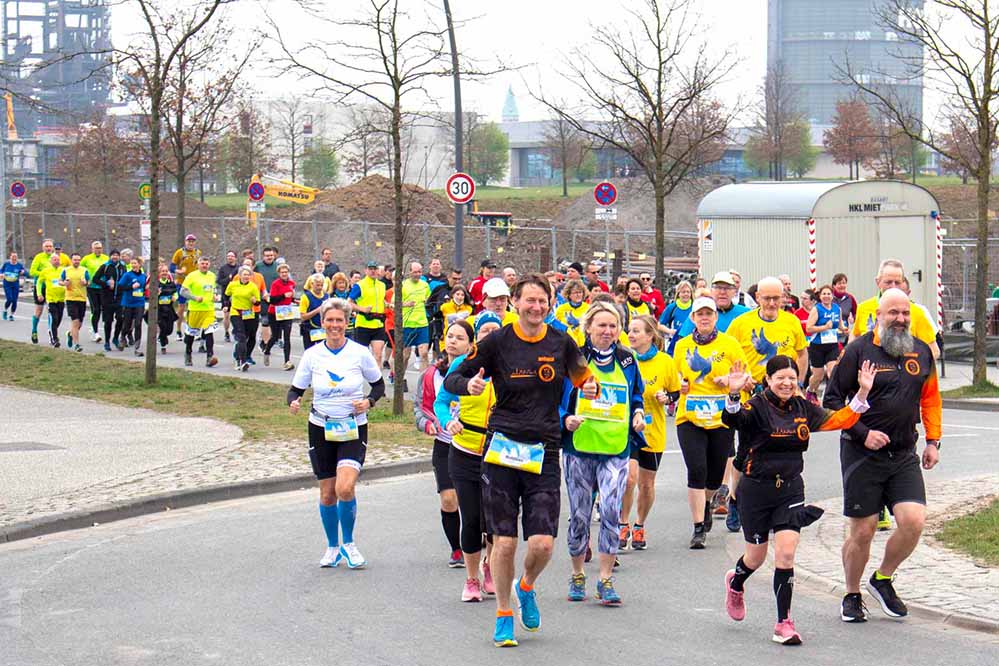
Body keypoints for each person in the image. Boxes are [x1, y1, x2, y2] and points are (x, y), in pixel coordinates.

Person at [444, 275, 597, 648]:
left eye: (542, 301)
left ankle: (525, 587)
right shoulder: (497, 342)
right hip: (501, 449)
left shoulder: (562, 342)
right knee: (506, 542)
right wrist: (471, 386)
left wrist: (588, 387)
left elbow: (584, 377)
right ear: (514, 302)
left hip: (543, 449)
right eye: (529, 300)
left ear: (550, 303)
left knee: (543, 544)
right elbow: (454, 378)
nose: (536, 307)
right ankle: (502, 613)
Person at [721, 356, 876, 645]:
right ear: (768, 380)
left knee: (786, 554)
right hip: (756, 490)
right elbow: (732, 420)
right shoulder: (756, 406)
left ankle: (784, 623)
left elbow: (840, 419)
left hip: (790, 489)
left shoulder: (803, 407)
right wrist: (732, 393)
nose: (787, 383)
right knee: (755, 557)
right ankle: (736, 581)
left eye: (792, 377)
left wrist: (863, 392)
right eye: (780, 377)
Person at [824, 288, 942, 624]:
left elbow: (931, 400)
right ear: (878, 315)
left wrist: (933, 441)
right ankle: (851, 593)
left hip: (904, 452)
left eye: (905, 313)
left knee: (914, 522)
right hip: (861, 454)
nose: (900, 319)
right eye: (893, 313)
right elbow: (831, 402)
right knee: (864, 530)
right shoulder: (859, 350)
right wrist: (863, 433)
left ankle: (883, 578)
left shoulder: (920, 352)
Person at [287, 298, 386, 570]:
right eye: (329, 320)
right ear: (322, 323)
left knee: (345, 487)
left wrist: (369, 402)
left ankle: (349, 544)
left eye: (339, 320)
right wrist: (293, 402)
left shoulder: (359, 353)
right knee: (328, 493)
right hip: (320, 427)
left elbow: (378, 387)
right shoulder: (312, 355)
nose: (334, 325)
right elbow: (295, 390)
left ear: (347, 322)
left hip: (352, 427)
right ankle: (332, 547)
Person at [561, 302, 645, 606]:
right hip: (580, 447)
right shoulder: (576, 359)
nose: (608, 331)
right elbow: (558, 400)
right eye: (602, 326)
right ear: (588, 328)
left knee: (610, 510)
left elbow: (636, 395)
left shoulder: (626, 360)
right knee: (580, 515)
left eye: (613, 326)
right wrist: (565, 419)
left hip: (615, 447)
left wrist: (638, 414)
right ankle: (577, 573)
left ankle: (605, 579)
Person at [435, 313, 502, 602]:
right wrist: (448, 422)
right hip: (464, 448)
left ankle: (489, 567)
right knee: (472, 518)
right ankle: (471, 579)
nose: (490, 335)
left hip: (500, 450)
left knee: (496, 520)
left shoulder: (510, 364)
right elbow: (441, 400)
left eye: (495, 330)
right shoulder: (464, 365)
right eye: (484, 330)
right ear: (477, 337)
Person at [674, 296, 748, 549]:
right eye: (700, 314)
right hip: (690, 416)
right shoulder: (682, 346)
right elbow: (676, 377)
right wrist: (680, 385)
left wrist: (729, 380)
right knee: (696, 469)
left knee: (715, 476)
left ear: (716, 317)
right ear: (693, 318)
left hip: (721, 417)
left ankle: (706, 503)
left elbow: (745, 377)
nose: (704, 318)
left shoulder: (730, 345)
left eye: (709, 313)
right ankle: (697, 529)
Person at [415, 319, 475, 571]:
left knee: (473, 503)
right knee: (449, 499)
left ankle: (476, 543)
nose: (453, 341)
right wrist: (428, 424)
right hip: (444, 443)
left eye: (460, 338)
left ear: (470, 345)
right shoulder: (431, 374)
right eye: (450, 336)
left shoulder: (477, 372)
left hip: (472, 444)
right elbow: (420, 407)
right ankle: (457, 548)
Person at [620, 315, 681, 550]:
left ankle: (639, 525)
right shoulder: (624, 359)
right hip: (627, 430)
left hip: (652, 430)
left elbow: (675, 392)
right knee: (628, 479)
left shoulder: (665, 362)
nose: (631, 335)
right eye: (629, 331)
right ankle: (622, 523)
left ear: (650, 335)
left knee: (646, 484)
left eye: (636, 331)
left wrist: (668, 398)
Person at [849, 259, 939, 359]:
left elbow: (934, 350)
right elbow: (854, 337)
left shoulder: (917, 312)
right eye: (888, 282)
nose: (893, 286)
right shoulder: (863, 308)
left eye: (897, 282)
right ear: (878, 282)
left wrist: (915, 369)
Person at [805, 285, 845, 403]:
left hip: (832, 345)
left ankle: (831, 396)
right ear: (820, 296)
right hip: (817, 346)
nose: (826, 296)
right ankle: (811, 391)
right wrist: (824, 327)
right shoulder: (817, 309)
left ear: (832, 296)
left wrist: (844, 329)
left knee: (832, 371)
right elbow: (809, 328)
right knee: (818, 375)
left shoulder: (837, 309)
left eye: (829, 294)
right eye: (824, 294)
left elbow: (840, 325)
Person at [180, 255, 219, 368]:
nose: (204, 265)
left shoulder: (212, 275)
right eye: (202, 263)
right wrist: (194, 298)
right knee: (191, 334)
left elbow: (213, 289)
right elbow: (183, 291)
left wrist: (215, 296)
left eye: (206, 264)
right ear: (198, 264)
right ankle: (188, 353)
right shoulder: (192, 276)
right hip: (195, 309)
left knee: (209, 332)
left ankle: (209, 357)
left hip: (208, 309)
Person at [28, 239, 68, 344]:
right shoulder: (39, 257)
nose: (49, 248)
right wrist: (45, 274)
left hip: (54, 289)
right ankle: (34, 330)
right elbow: (32, 272)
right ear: (43, 247)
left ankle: (52, 333)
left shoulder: (58, 257)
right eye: (46, 246)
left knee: (54, 313)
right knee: (39, 311)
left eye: (50, 246)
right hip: (41, 286)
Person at [349, 261, 389, 365]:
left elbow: (381, 300)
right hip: (363, 324)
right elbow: (349, 303)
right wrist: (362, 309)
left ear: (378, 271)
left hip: (378, 324)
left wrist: (387, 305)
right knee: (362, 356)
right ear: (365, 270)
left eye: (375, 269)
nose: (373, 271)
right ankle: (359, 379)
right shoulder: (359, 285)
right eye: (370, 269)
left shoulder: (382, 285)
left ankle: (377, 380)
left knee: (378, 355)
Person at [225, 266, 262, 371]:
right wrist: (226, 306)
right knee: (241, 336)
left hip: (248, 313)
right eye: (244, 274)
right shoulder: (233, 285)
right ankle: (242, 361)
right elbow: (226, 296)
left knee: (248, 337)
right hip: (236, 312)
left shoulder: (253, 287)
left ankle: (238, 357)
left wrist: (255, 301)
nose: (246, 277)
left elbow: (258, 302)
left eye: (248, 275)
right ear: (239, 275)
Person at [264, 263, 297, 370]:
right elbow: (272, 300)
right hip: (274, 312)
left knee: (287, 337)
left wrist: (294, 300)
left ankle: (287, 361)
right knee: (275, 336)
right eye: (282, 272)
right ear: (279, 273)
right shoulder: (275, 284)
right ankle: (267, 350)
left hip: (286, 312)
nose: (284, 274)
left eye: (286, 272)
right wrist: (284, 295)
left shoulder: (292, 283)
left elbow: (290, 297)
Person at [93, 250, 126, 352]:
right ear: (110, 257)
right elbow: (95, 279)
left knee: (120, 318)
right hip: (107, 297)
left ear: (119, 257)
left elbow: (125, 279)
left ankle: (115, 338)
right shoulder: (105, 266)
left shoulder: (122, 267)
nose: (115, 257)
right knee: (108, 321)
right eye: (113, 255)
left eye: (117, 255)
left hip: (119, 297)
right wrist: (106, 283)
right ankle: (107, 341)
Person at [401, 261, 432, 371]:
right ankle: (400, 379)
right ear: (409, 272)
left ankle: (423, 384)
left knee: (424, 354)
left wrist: (427, 302)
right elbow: (393, 304)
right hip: (407, 324)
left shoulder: (425, 285)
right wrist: (405, 304)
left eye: (419, 272)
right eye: (415, 272)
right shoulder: (403, 285)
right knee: (405, 355)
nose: (417, 274)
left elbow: (429, 299)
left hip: (422, 323)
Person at [170, 234, 202, 340]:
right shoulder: (179, 252)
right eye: (189, 241)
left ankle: (193, 329)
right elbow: (172, 267)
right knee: (181, 306)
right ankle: (179, 329)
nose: (191, 243)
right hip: (182, 282)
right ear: (185, 242)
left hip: (194, 283)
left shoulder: (198, 253)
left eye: (192, 241)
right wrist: (178, 271)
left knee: (194, 307)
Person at [35, 253, 67, 347]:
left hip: (61, 299)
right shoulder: (45, 271)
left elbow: (68, 281)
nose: (57, 262)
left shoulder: (63, 270)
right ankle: (54, 339)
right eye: (54, 260)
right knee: (54, 318)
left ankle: (51, 332)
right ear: (50, 261)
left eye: (58, 260)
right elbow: (39, 283)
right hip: (51, 299)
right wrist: (39, 294)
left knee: (59, 319)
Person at [61, 252, 90, 351]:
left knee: (80, 323)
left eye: (78, 260)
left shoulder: (84, 270)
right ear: (71, 260)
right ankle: (77, 344)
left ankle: (70, 334)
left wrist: (85, 282)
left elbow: (89, 282)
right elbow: (60, 281)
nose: (77, 261)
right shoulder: (66, 270)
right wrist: (64, 283)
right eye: (75, 260)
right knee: (75, 321)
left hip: (81, 298)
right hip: (70, 299)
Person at [118, 257, 147, 356]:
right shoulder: (127, 275)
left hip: (139, 303)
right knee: (127, 323)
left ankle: (137, 348)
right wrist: (131, 286)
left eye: (135, 263)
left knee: (138, 324)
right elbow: (120, 286)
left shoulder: (143, 276)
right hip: (128, 303)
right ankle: (122, 337)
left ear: (140, 264)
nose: (133, 265)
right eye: (132, 263)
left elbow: (143, 288)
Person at [80, 240, 109, 341]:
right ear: (92, 249)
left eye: (100, 248)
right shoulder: (86, 259)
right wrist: (83, 279)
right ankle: (95, 332)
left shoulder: (106, 259)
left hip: (103, 287)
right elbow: (80, 270)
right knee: (95, 309)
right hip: (91, 287)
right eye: (96, 248)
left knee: (104, 309)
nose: (98, 250)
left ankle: (106, 330)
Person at [659, 280, 693, 357]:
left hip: (692, 343)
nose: (686, 294)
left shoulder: (695, 307)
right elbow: (659, 325)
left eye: (688, 292)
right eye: (683, 292)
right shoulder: (672, 307)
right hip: (674, 343)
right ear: (678, 294)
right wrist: (670, 331)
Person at [255, 246, 280, 349]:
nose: (269, 257)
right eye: (267, 256)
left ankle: (272, 338)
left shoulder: (278, 266)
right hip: (263, 298)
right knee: (265, 320)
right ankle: (265, 343)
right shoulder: (258, 266)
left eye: (271, 255)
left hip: (275, 298)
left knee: (275, 321)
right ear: (263, 256)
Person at [439, 284, 473, 350]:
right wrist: (439, 334)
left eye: (462, 295)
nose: (460, 297)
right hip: (447, 340)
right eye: (457, 294)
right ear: (452, 295)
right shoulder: (444, 307)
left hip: (462, 341)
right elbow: (438, 321)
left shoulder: (469, 309)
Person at [155, 264, 179, 354]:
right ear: (159, 273)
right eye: (162, 271)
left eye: (166, 271)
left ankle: (164, 336)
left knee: (169, 329)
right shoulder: (156, 283)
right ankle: (163, 345)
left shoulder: (171, 283)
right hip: (159, 309)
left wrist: (175, 297)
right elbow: (150, 295)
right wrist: (157, 294)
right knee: (163, 327)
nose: (164, 273)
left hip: (169, 309)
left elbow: (175, 293)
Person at [217, 250, 239, 344]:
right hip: (226, 294)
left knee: (237, 315)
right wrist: (228, 278)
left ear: (235, 258)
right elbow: (219, 281)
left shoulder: (239, 268)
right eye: (228, 256)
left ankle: (237, 331)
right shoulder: (223, 268)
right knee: (227, 315)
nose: (230, 258)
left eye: (232, 256)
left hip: (237, 295)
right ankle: (226, 332)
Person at [831, 273, 857, 340]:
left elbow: (856, 314)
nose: (842, 285)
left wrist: (853, 320)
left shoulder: (850, 298)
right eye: (839, 283)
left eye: (844, 283)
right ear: (834, 285)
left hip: (844, 334)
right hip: (829, 334)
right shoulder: (828, 297)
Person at [2, 251, 25, 320]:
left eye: (15, 257)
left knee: (14, 300)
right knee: (9, 299)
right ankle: (5, 310)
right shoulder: (6, 264)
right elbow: (1, 271)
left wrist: (23, 272)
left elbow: (26, 273)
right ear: (10, 257)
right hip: (7, 283)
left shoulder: (19, 265)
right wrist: (1, 274)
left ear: (17, 258)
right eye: (13, 256)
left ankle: (11, 315)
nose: (14, 258)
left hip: (15, 284)